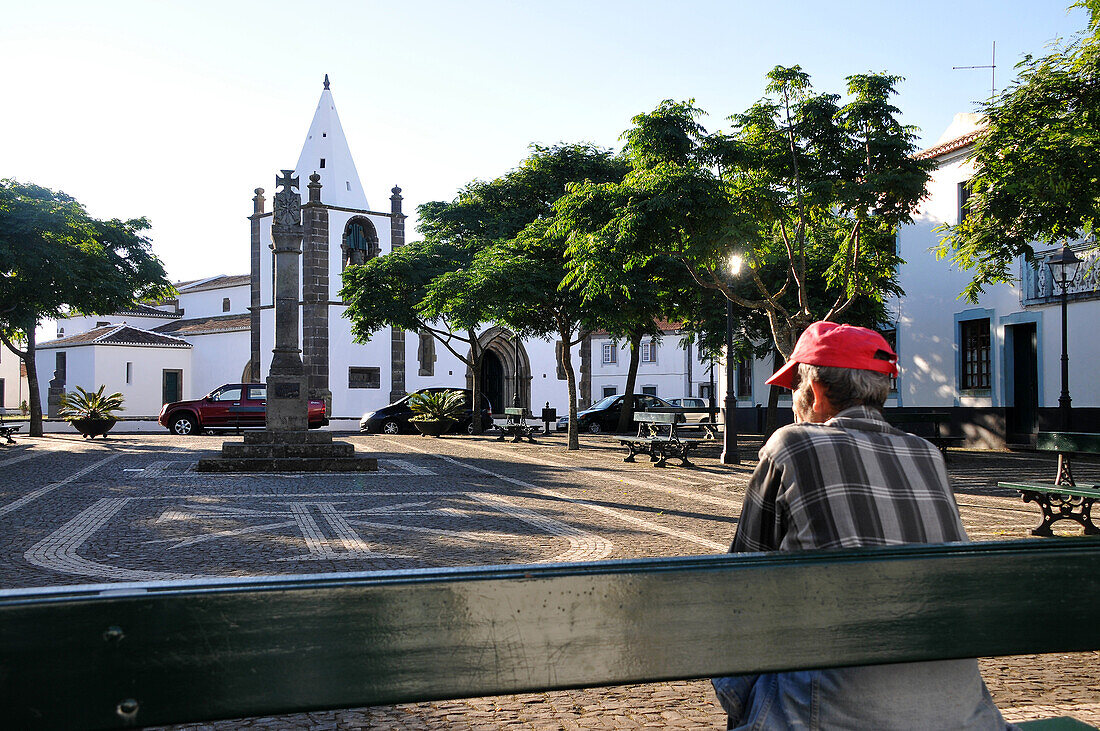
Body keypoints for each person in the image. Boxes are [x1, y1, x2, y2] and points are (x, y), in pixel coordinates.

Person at [712, 321, 1011, 730]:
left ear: (815, 393)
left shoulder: (792, 444)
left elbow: (739, 580)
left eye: (794, 389)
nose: (793, 402)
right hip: (959, 709)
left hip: (834, 711)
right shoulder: (927, 455)